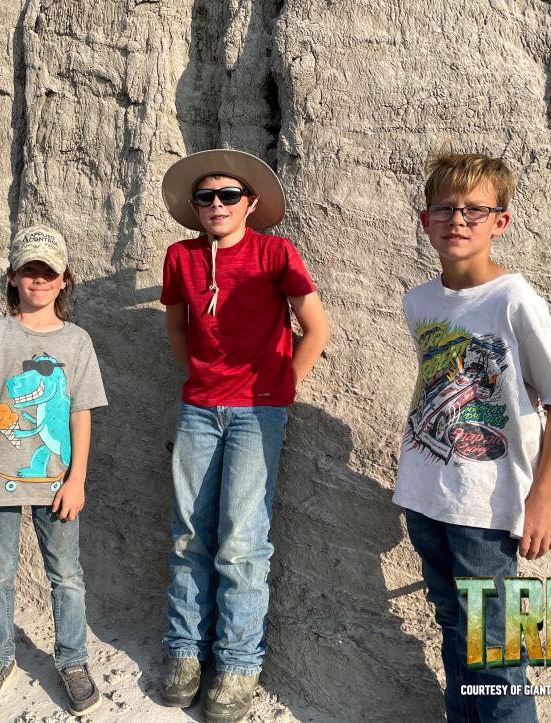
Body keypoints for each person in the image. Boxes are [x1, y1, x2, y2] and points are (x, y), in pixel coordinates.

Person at [394, 151, 551, 722]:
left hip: (488, 508)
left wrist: (543, 499)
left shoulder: (515, 300)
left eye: (475, 210)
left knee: (496, 651)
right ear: (425, 219)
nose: (458, 220)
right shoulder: (419, 300)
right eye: (445, 209)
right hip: (425, 498)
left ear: (501, 221)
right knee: (454, 627)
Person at [158, 149, 330, 723]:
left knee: (241, 540)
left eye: (228, 195)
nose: (216, 204)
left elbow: (318, 327)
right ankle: (184, 653)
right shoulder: (180, 257)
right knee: (188, 535)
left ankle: (236, 662)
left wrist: (281, 387)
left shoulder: (274, 253)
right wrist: (197, 378)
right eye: (205, 197)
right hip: (199, 410)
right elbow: (177, 325)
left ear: (250, 204)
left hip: (260, 414)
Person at [0, 225, 108, 718]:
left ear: (64, 281)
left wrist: (78, 477)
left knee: (66, 574)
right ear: (13, 277)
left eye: (48, 272)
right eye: (28, 271)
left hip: (57, 480)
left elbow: (81, 414)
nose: (38, 281)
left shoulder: (78, 342)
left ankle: (74, 661)